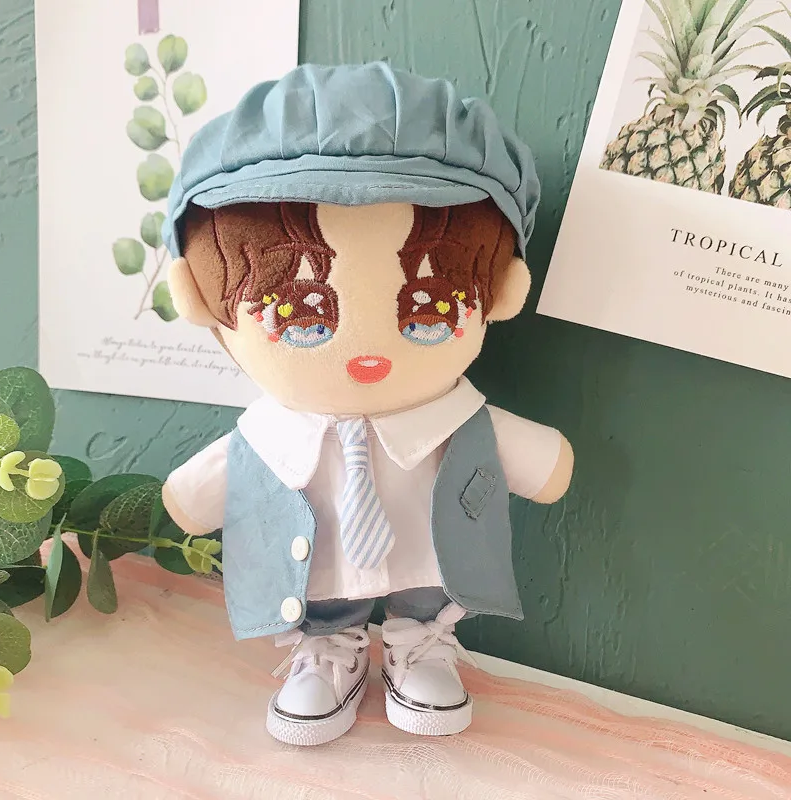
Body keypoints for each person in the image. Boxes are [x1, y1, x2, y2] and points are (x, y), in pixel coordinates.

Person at [161, 62, 574, 746]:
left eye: (430, 310)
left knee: (427, 589)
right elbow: (189, 501)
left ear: (501, 293)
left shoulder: (463, 422)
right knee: (323, 590)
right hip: (317, 578)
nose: (367, 357)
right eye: (298, 315)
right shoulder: (264, 438)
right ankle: (328, 647)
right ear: (199, 299)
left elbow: (545, 468)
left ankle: (422, 642)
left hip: (431, 571)